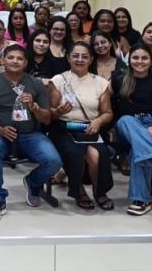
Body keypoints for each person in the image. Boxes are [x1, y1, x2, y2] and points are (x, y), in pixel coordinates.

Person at [0, 44, 62, 221]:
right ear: (3, 60)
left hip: (30, 134)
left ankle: (33, 182)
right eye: (11, 57)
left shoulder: (36, 84)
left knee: (54, 161)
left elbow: (46, 119)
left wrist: (34, 107)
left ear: (26, 62)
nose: (15, 61)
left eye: (20, 58)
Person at [47, 41, 115, 211]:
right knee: (75, 153)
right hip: (63, 128)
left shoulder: (100, 83)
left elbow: (108, 113)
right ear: (68, 58)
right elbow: (49, 113)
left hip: (89, 128)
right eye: (75, 56)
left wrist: (98, 121)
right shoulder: (58, 80)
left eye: (84, 56)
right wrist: (58, 111)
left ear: (91, 59)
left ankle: (99, 191)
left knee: (97, 155)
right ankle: (78, 190)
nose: (80, 59)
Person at [107, 46, 152, 215]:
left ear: (151, 61)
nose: (140, 61)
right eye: (135, 58)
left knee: (140, 151)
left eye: (144, 58)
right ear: (129, 60)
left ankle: (141, 200)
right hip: (128, 127)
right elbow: (104, 102)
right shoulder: (118, 79)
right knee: (126, 119)